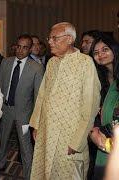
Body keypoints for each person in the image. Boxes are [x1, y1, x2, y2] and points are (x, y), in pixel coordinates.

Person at [29, 22, 100, 179]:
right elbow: (42, 95)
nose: (49, 41)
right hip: (46, 131)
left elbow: (91, 105)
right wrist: (37, 125)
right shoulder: (51, 62)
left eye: (54, 38)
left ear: (69, 39)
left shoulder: (85, 63)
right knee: (46, 172)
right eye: (49, 38)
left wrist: (78, 141)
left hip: (69, 136)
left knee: (68, 173)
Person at [0, 34, 44, 179]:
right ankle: (0, 164)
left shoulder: (36, 68)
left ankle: (29, 175)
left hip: (24, 114)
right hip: (6, 109)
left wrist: (35, 120)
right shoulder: (6, 62)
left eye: (25, 47)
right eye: (18, 46)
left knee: (25, 146)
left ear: (30, 49)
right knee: (3, 140)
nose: (20, 50)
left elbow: (38, 96)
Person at [89, 34, 119, 180]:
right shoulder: (100, 78)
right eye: (95, 52)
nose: (100, 55)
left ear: (115, 50)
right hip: (103, 138)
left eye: (105, 49)